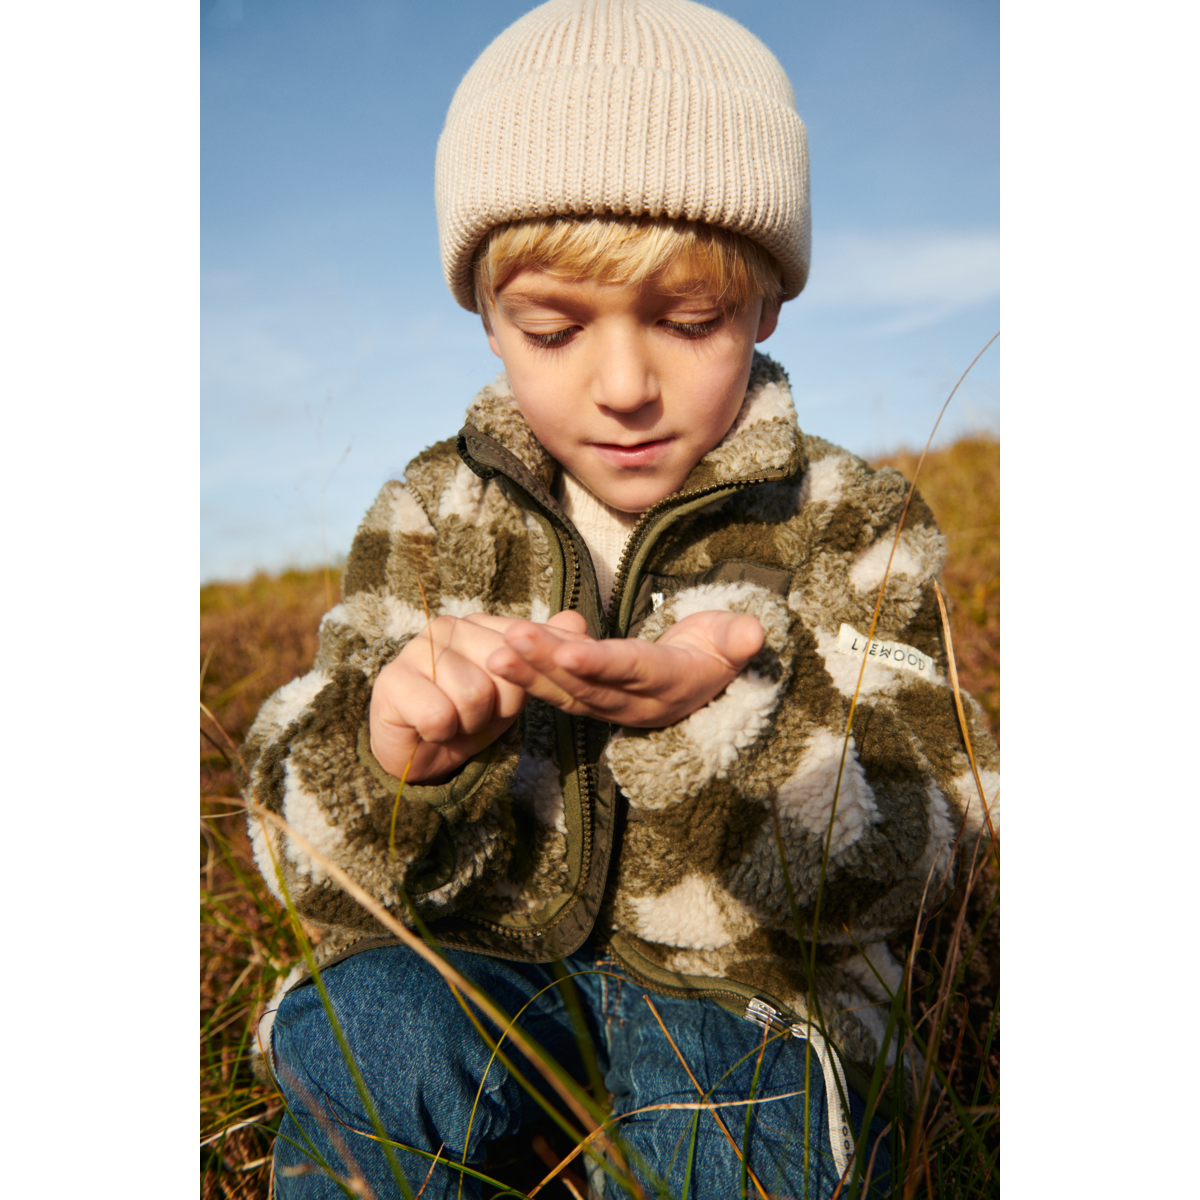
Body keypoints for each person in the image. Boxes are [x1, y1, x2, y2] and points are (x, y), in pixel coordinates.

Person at [244, 2, 1000, 1196]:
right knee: (376, 1034)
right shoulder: (432, 512)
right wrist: (387, 757)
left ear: (764, 305)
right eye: (553, 328)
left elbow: (943, 831)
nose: (625, 387)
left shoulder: (855, 518)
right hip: (476, 962)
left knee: (748, 1143)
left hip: (749, 1001)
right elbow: (296, 848)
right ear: (488, 320)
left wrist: (726, 716)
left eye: (689, 321)